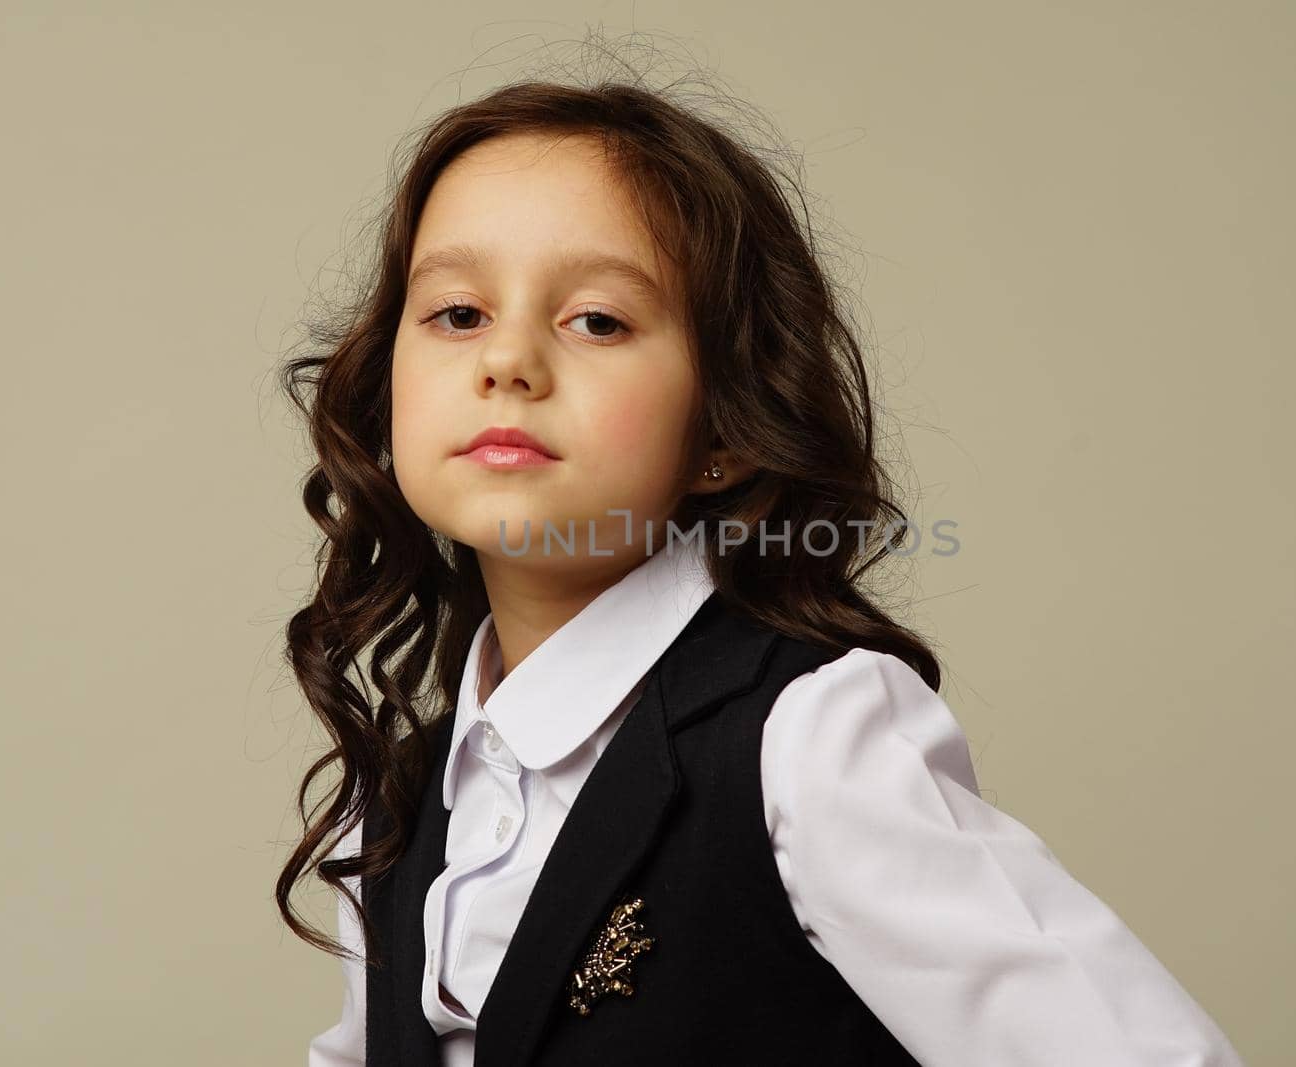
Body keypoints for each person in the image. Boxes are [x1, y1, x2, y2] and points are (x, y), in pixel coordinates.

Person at [277, 76, 1245, 1066]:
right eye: (455, 312)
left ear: (723, 434)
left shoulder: (810, 739)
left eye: (598, 320)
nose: (508, 360)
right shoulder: (402, 792)